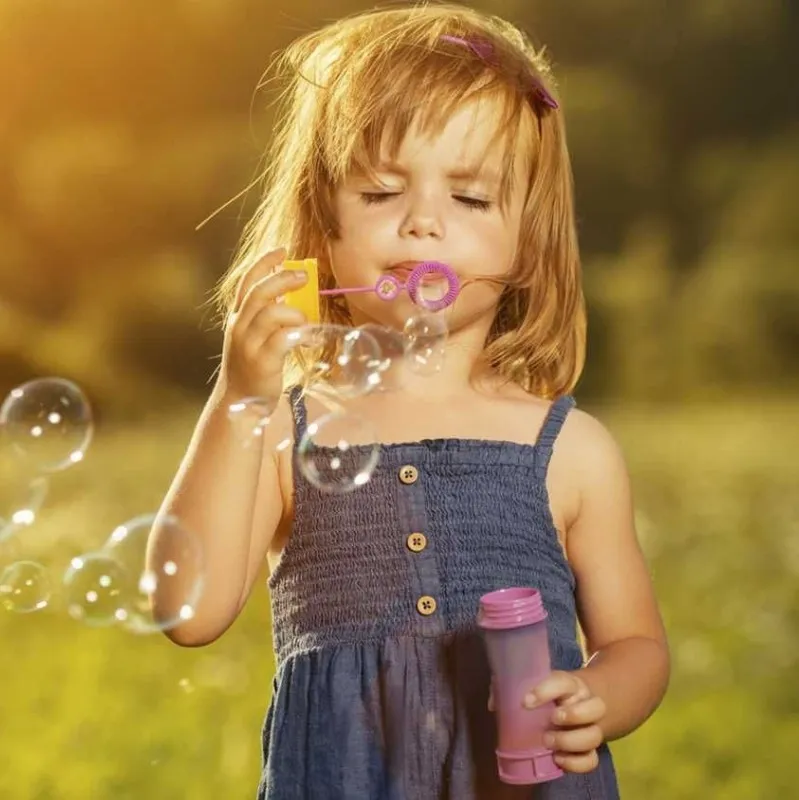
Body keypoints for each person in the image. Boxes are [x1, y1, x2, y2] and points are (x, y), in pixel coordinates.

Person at [148, 3, 670, 798]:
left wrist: (600, 697)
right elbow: (189, 610)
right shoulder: (290, 432)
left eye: (469, 199)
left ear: (525, 239)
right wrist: (239, 395)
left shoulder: (570, 450)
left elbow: (635, 643)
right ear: (324, 225)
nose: (424, 221)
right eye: (383, 190)